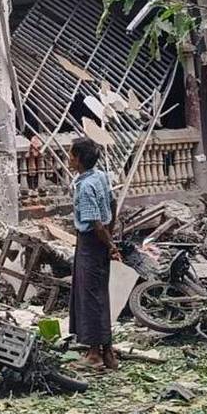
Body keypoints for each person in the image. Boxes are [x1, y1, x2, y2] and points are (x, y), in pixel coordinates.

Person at [68, 136, 121, 370]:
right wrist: (111, 236)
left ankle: (93, 354)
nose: (69, 159)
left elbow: (96, 223)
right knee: (100, 295)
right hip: (100, 240)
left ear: (78, 159)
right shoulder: (100, 177)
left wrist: (110, 245)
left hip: (91, 242)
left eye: (71, 155)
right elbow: (113, 203)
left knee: (89, 297)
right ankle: (108, 352)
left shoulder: (86, 186)